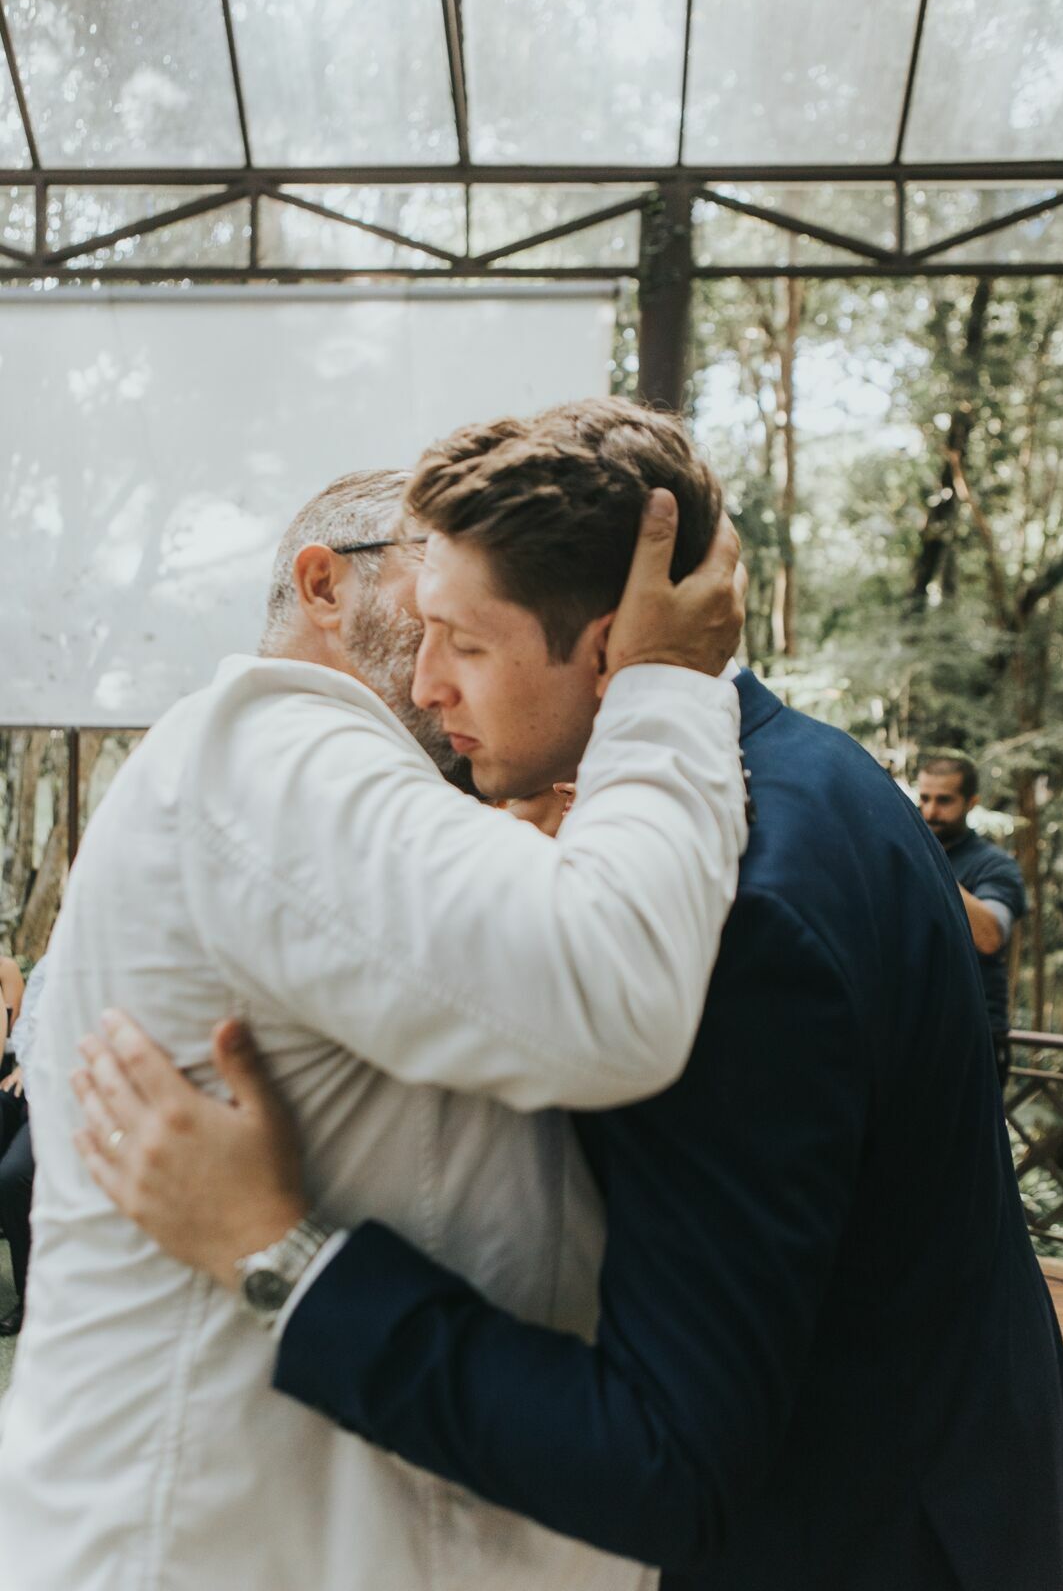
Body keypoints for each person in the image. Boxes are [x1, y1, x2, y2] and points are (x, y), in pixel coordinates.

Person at [75, 409, 1063, 1591]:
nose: (424, 682)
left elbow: (663, 1461)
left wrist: (275, 1255)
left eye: (464, 644)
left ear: (610, 649)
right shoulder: (815, 770)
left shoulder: (736, 916)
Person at [0, 420, 749, 1591]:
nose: (460, 600)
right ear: (323, 582)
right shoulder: (269, 743)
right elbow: (608, 997)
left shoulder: (350, 791)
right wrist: (662, 690)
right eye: (430, 568)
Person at [918, 750, 1028, 1083]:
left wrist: (928, 861)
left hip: (974, 1037)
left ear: (971, 802)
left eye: (944, 800)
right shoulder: (910, 857)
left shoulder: (994, 866)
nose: (931, 811)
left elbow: (990, 936)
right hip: (916, 1034)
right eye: (924, 798)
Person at [0, 955, 46, 1338]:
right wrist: (24, 1069)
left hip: (65, 1095)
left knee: (14, 1176)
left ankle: (34, 1298)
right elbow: (27, 1032)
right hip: (29, 1080)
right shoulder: (48, 966)